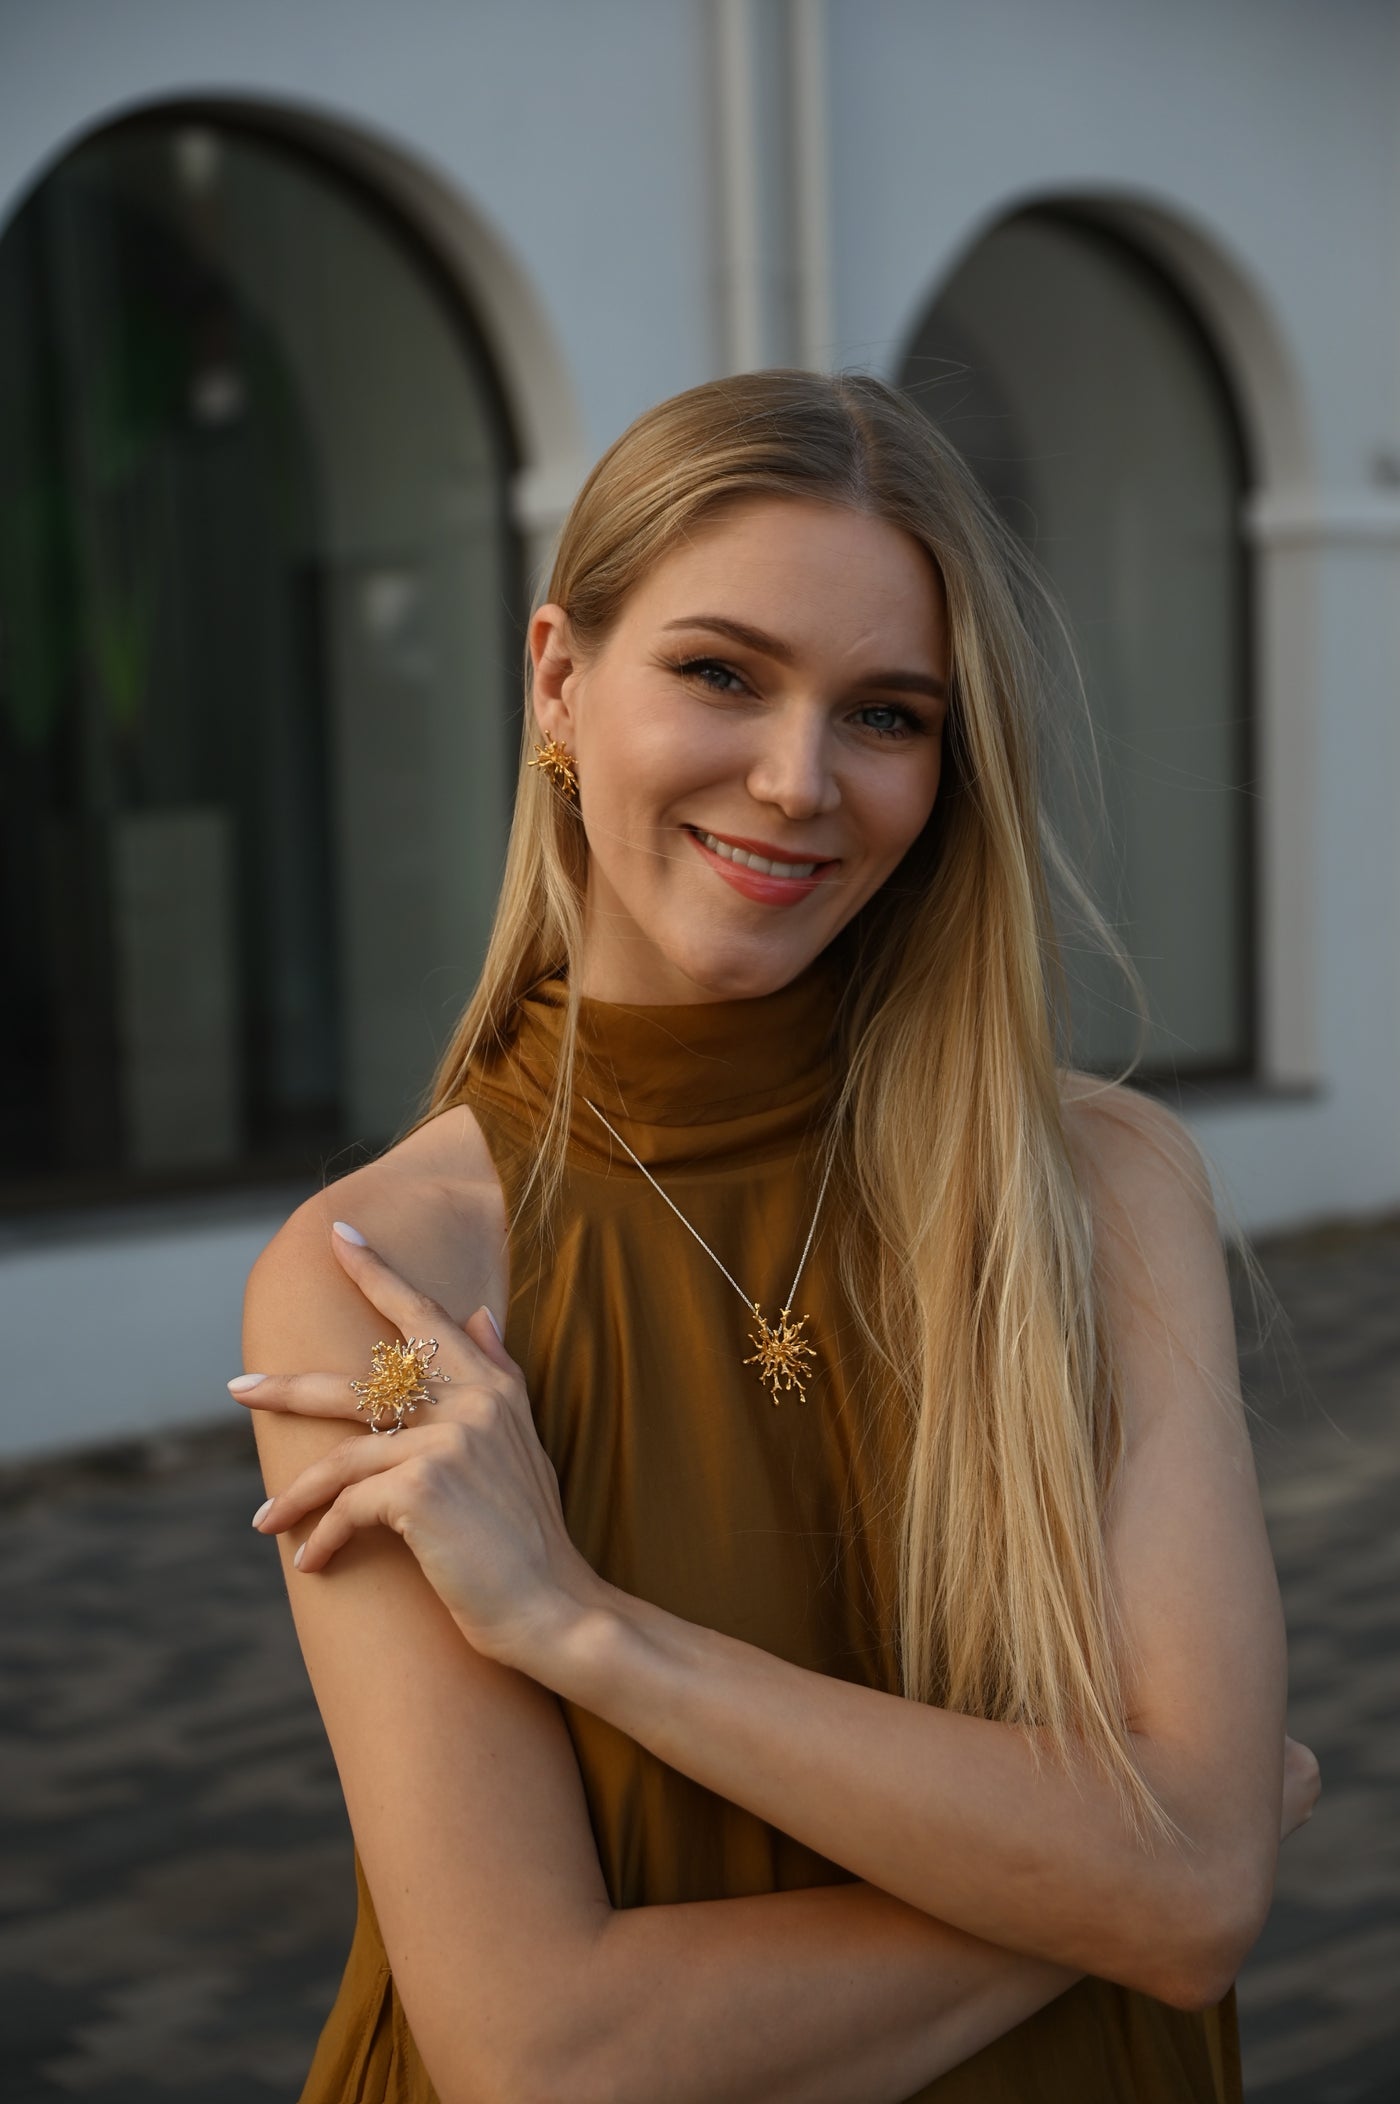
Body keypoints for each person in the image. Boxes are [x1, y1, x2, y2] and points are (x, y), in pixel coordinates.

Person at [235, 368, 1318, 2103]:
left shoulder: (1104, 1183)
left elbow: (1193, 1897)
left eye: (889, 713)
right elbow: (550, 2053)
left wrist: (590, 1631)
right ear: (559, 681)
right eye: (722, 674)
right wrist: (1124, 1880)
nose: (799, 779)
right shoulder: (389, 1275)